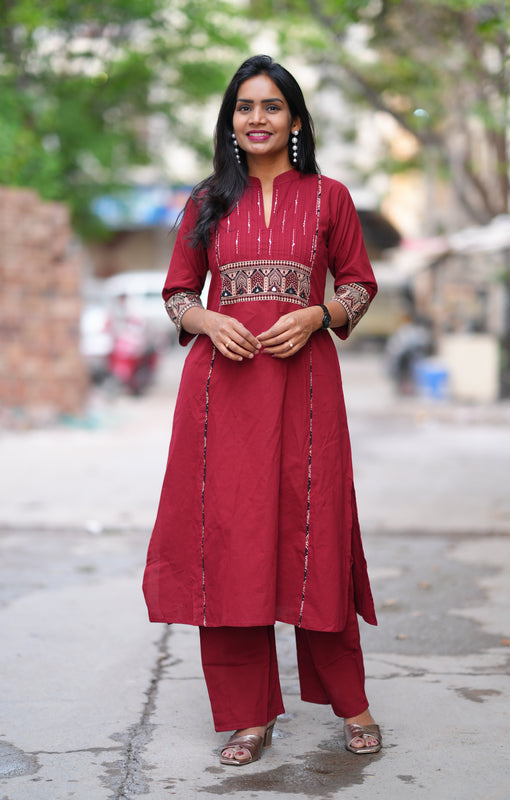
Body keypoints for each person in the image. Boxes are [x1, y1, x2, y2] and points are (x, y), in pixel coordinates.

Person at [143, 54, 381, 766]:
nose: (256, 119)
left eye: (270, 106)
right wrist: (207, 321)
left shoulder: (329, 198)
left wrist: (317, 314)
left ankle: (352, 703)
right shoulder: (205, 200)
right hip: (221, 398)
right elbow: (178, 292)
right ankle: (248, 716)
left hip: (307, 393)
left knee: (317, 539)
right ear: (230, 121)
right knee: (229, 548)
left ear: (295, 119)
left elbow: (361, 284)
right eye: (243, 107)